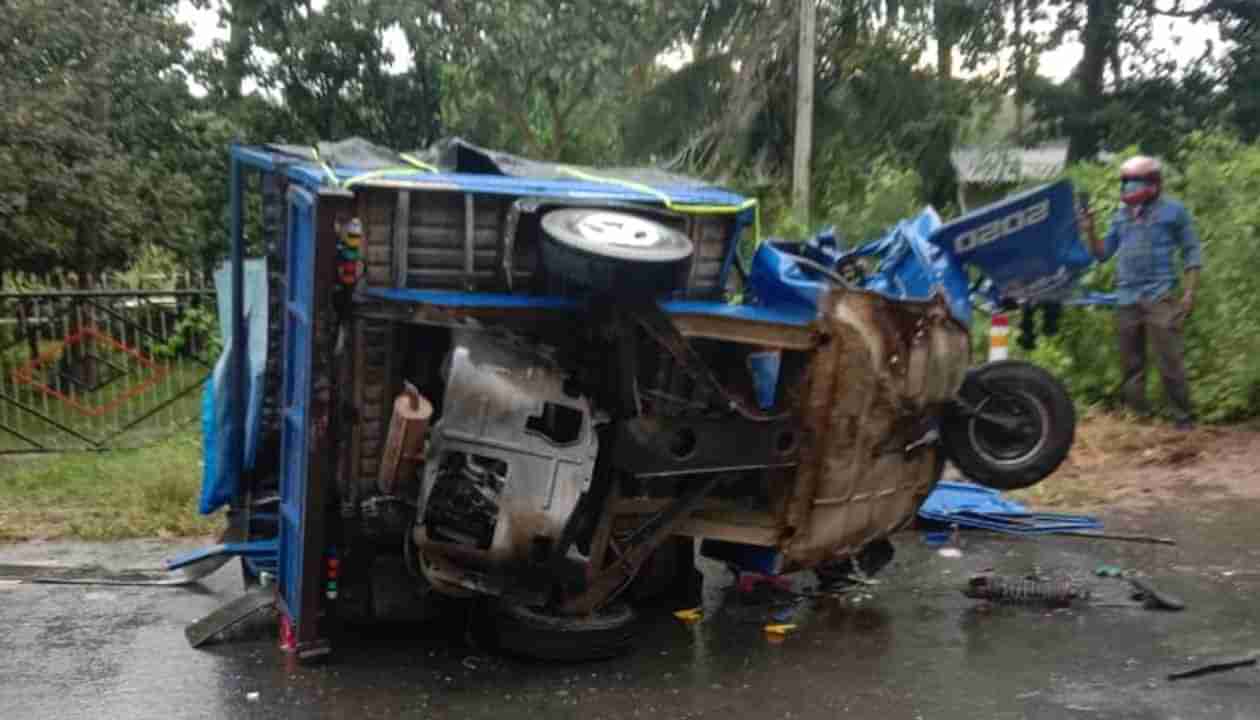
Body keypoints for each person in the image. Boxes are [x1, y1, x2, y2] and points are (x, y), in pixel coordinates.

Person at [1081, 155, 1202, 430]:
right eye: (1124, 182)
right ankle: (1138, 420)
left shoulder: (1174, 211)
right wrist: (1090, 231)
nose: (1127, 188)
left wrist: (1188, 294)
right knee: (1131, 365)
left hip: (1160, 295)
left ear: (1154, 184)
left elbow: (1191, 252)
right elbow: (1101, 255)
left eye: (1132, 182)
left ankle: (1183, 419)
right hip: (1127, 296)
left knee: (1169, 361)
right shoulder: (1120, 215)